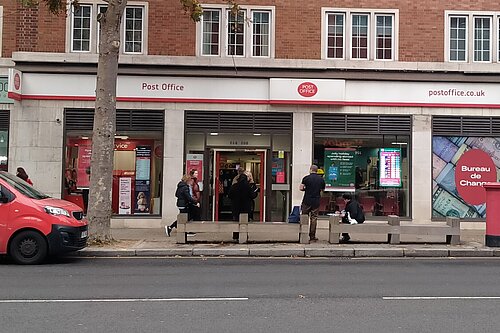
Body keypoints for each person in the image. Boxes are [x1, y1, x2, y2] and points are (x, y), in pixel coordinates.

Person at [299, 165, 325, 241]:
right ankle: (312, 236)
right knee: (314, 218)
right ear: (317, 171)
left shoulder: (306, 178)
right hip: (316, 201)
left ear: (310, 170)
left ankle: (303, 234)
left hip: (307, 200)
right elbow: (323, 190)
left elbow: (301, 188)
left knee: (304, 217)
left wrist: (306, 189)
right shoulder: (321, 180)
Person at [229, 173, 253, 240]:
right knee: (245, 223)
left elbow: (229, 195)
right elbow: (253, 195)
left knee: (236, 221)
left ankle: (235, 236)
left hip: (236, 207)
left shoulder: (234, 186)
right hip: (245, 207)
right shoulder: (248, 187)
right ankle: (245, 236)